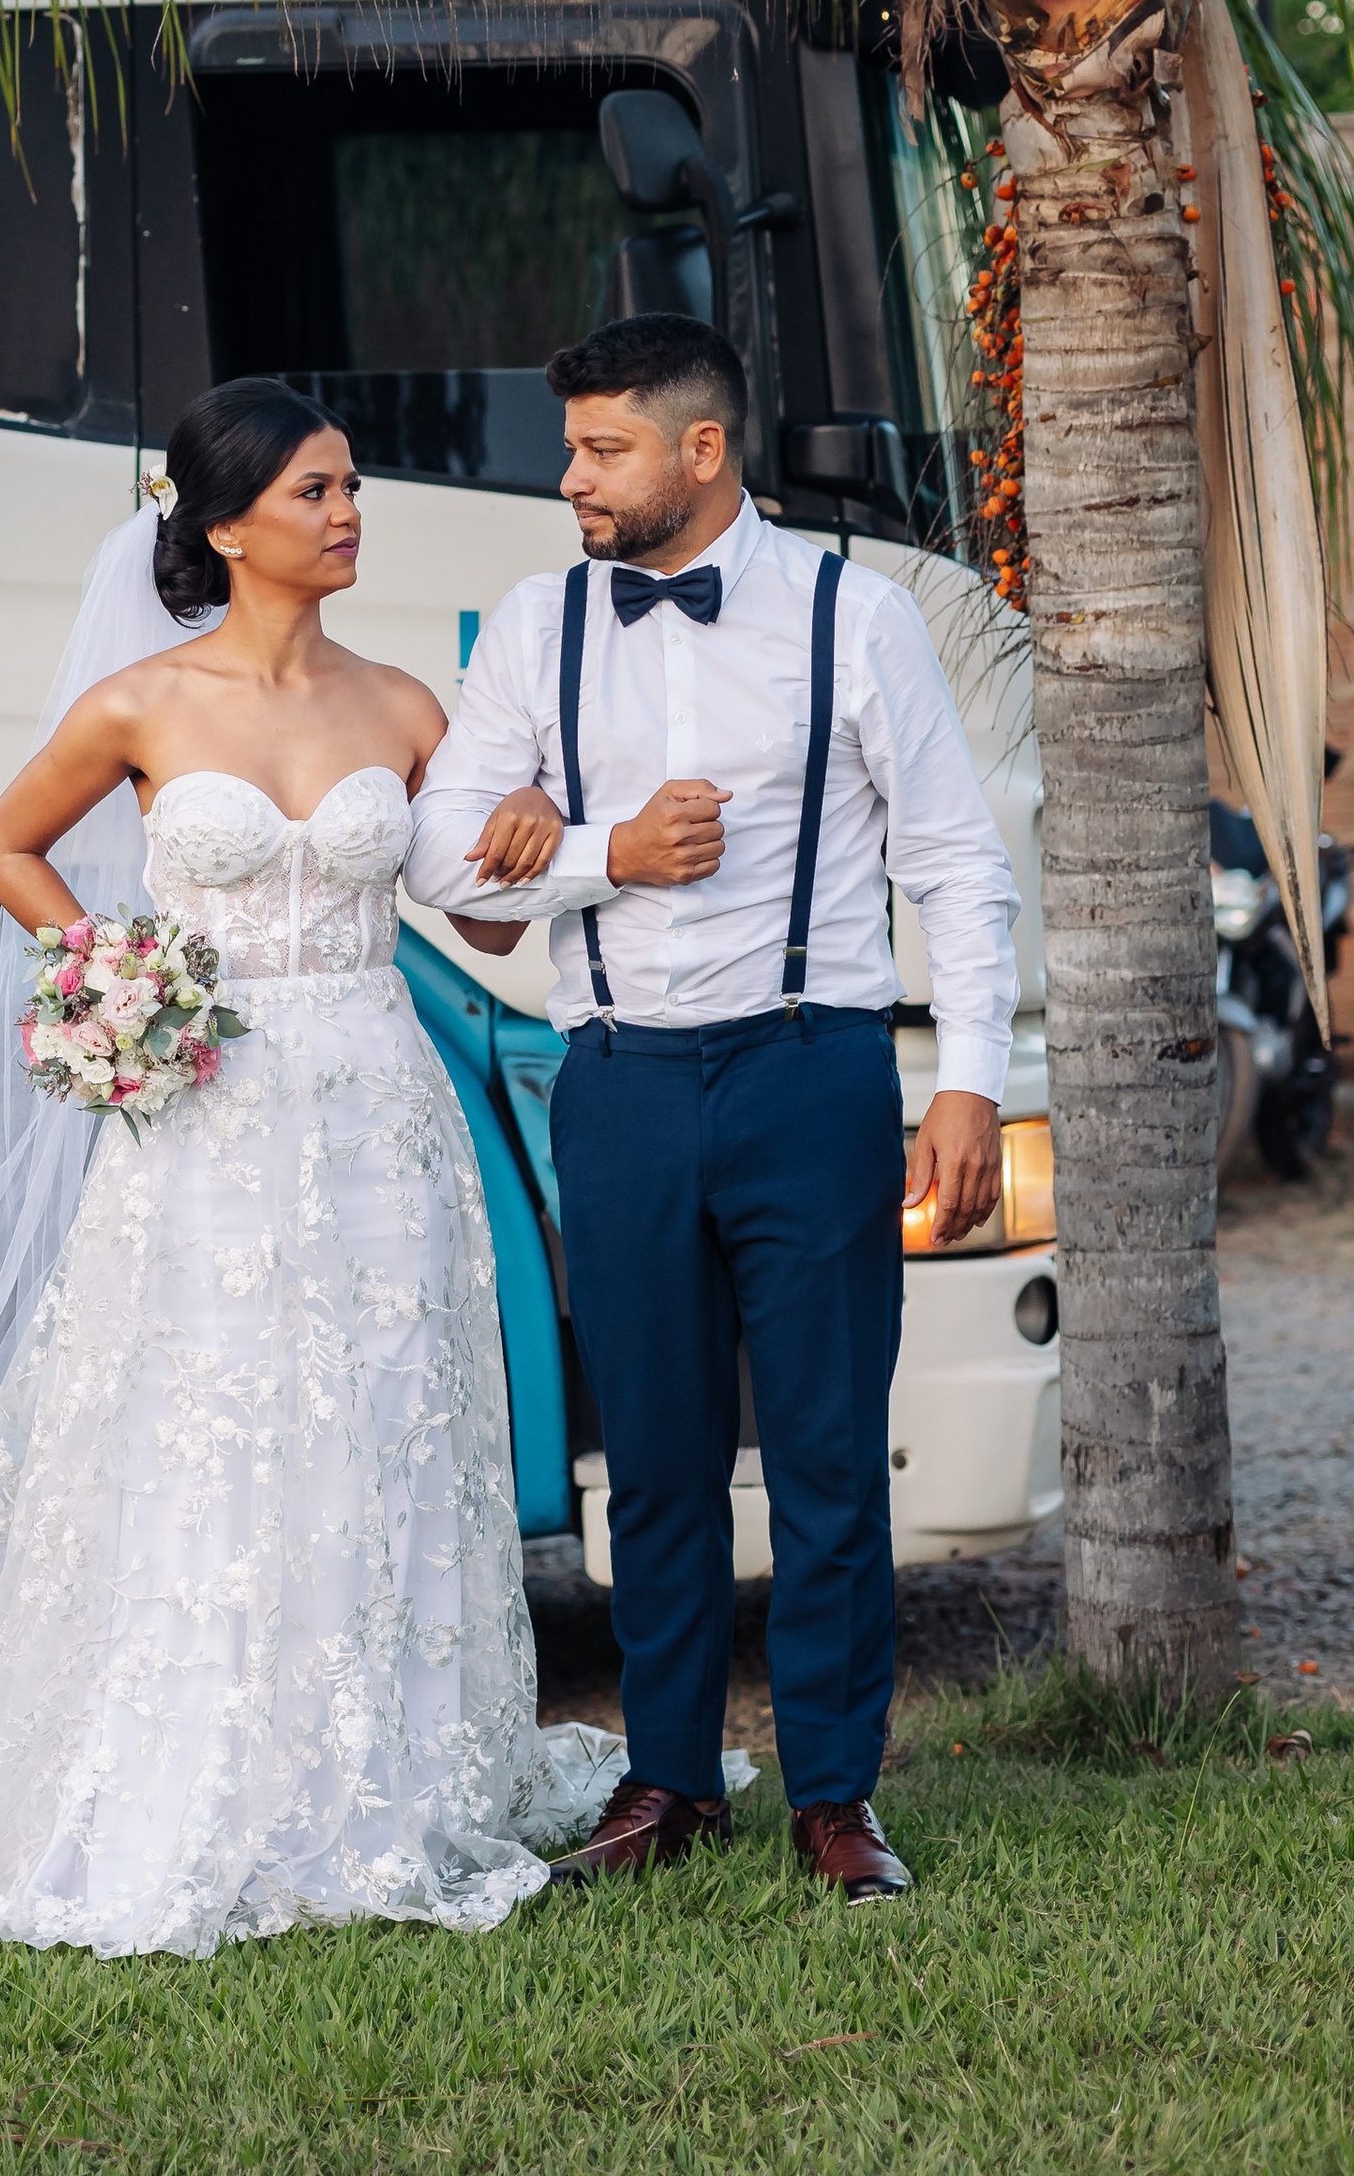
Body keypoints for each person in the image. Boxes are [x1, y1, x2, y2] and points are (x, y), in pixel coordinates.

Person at [0, 375, 632, 1954]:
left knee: (379, 1422)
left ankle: (387, 1773)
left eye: (354, 490)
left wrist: (526, 831)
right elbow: (8, 846)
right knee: (200, 1426)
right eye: (318, 494)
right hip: (204, 1106)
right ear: (225, 526)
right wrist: (111, 970)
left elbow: (476, 922)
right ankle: (193, 1775)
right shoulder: (142, 705)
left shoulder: (408, 707)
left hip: (374, 1112)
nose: (351, 514)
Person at [406, 313, 1021, 1904]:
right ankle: (667, 1777)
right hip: (612, 1080)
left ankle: (835, 1794)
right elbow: (431, 855)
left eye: (600, 450)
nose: (571, 481)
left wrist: (967, 1080)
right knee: (658, 1463)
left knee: (824, 1454)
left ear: (702, 450)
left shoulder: (854, 616)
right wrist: (609, 851)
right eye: (570, 450)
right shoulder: (539, 625)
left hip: (808, 1074)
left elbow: (955, 861)